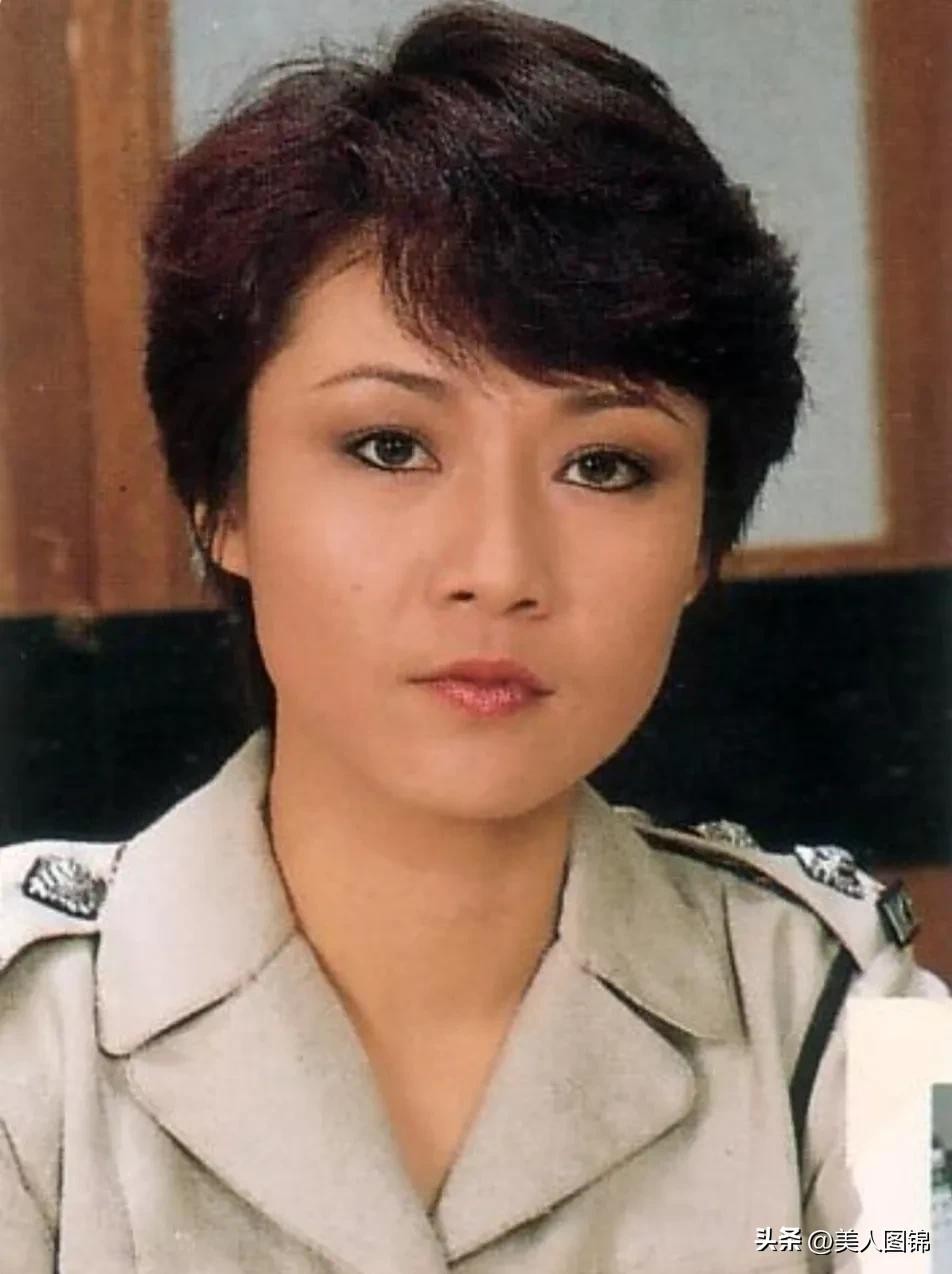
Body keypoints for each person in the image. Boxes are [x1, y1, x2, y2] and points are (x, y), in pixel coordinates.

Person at [0, 4, 946, 1271]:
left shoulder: (852, 1023)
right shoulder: (24, 1036)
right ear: (222, 501)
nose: (498, 570)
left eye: (604, 464)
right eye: (389, 445)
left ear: (699, 546)